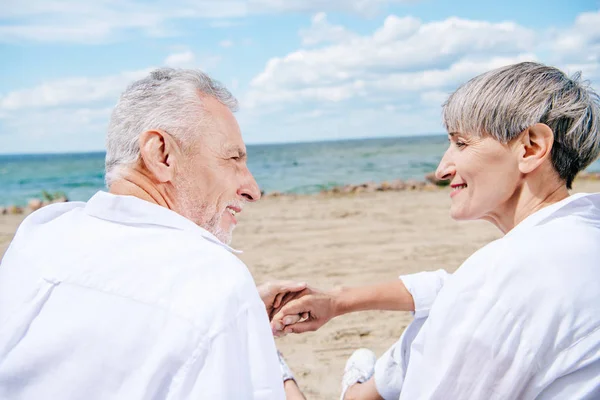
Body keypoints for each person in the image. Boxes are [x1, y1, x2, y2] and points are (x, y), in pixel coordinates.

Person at [272, 62, 600, 399]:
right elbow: (452, 287)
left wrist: (285, 386)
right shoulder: (582, 235)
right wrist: (339, 300)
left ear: (531, 147)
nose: (442, 169)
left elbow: (475, 293)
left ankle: (291, 379)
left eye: (461, 143)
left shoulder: (505, 275)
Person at [0, 68, 306, 399]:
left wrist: (238, 323)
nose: (253, 190)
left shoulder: (42, 234)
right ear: (161, 154)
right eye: (233, 158)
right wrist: (234, 320)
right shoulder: (216, 282)